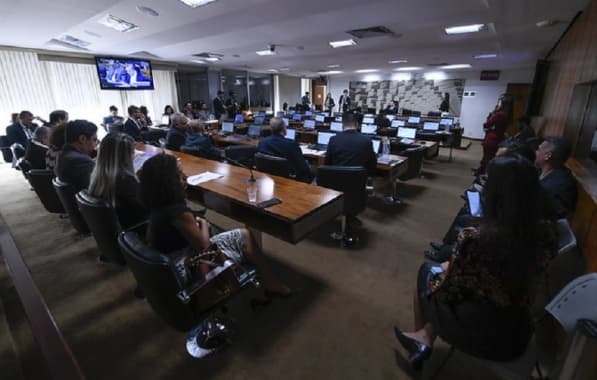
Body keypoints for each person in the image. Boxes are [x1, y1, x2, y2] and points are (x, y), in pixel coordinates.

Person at [395, 154, 557, 370]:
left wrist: (446, 268)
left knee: (426, 271)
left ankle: (421, 339)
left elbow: (446, 292)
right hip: (518, 332)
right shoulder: (547, 235)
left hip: (478, 333)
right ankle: (424, 335)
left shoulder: (476, 238)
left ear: (495, 194)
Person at [138, 153, 291, 296]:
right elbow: (206, 248)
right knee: (244, 237)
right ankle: (270, 283)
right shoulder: (178, 212)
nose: (185, 177)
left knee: (244, 234)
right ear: (169, 182)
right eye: (179, 175)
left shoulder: (158, 204)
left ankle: (263, 278)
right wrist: (204, 224)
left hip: (169, 267)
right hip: (185, 270)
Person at [88, 133, 148, 230]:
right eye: (132, 152)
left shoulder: (99, 175)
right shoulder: (125, 180)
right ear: (123, 157)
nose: (134, 156)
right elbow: (146, 209)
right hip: (138, 229)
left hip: (121, 227)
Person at [257, 117, 314, 183]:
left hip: (269, 177)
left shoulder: (262, 142)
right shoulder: (291, 144)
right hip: (290, 180)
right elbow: (303, 167)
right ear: (284, 129)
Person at [535, 136, 577, 217]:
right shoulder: (539, 170)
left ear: (547, 156)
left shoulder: (560, 185)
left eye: (538, 149)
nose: (536, 152)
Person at [55, 120, 98, 192]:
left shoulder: (62, 155)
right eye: (94, 139)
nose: (95, 144)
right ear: (82, 139)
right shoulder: (80, 161)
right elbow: (97, 189)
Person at [477, 94, 512, 175]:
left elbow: (486, 124)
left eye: (499, 101)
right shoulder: (507, 114)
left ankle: (485, 177)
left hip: (492, 139)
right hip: (498, 139)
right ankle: (483, 173)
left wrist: (493, 113)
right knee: (489, 160)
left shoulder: (499, 114)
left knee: (488, 160)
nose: (497, 103)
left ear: (503, 103)